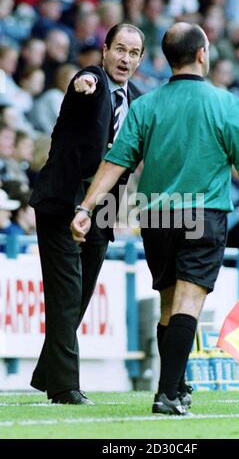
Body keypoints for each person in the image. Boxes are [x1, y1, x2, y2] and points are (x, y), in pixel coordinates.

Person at [71, 22, 239, 415]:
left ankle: (176, 385)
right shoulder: (226, 104)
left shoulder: (145, 104)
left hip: (156, 218)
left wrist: (86, 207)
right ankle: (166, 395)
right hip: (203, 212)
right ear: (202, 54)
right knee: (188, 301)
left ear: (166, 58)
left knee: (168, 305)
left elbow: (116, 161)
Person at [29, 23, 145, 405]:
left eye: (133, 53)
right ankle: (64, 387)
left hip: (103, 210)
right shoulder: (91, 81)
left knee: (79, 295)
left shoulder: (140, 103)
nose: (125, 59)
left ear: (141, 59)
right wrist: (80, 83)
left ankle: (49, 372)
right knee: (65, 294)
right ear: (105, 50)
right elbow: (83, 82)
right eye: (120, 50)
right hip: (62, 202)